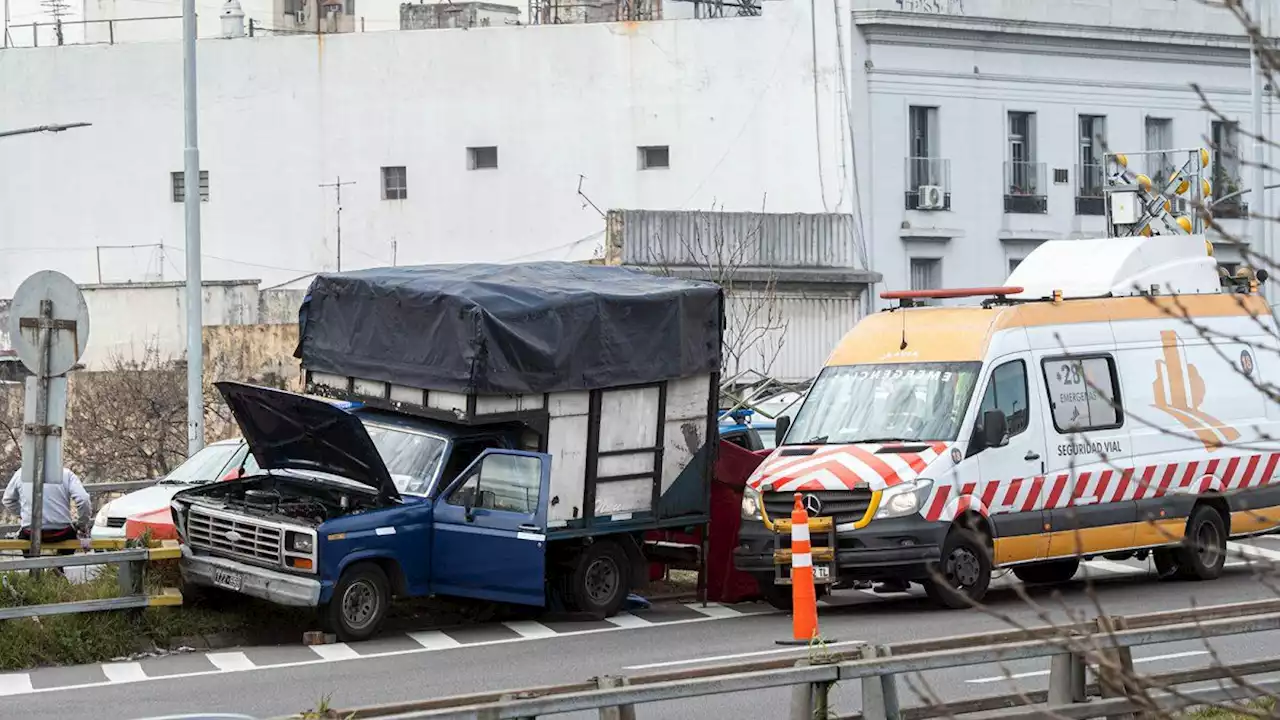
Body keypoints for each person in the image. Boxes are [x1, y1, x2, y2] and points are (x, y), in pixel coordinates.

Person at [2, 466, 93, 557]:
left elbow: (8, 500)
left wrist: (24, 514)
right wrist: (81, 524)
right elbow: (83, 499)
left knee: (23, 536)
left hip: (30, 532)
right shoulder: (66, 474)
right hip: (61, 532)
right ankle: (60, 565)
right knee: (72, 534)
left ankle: (33, 564)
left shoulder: (21, 473)